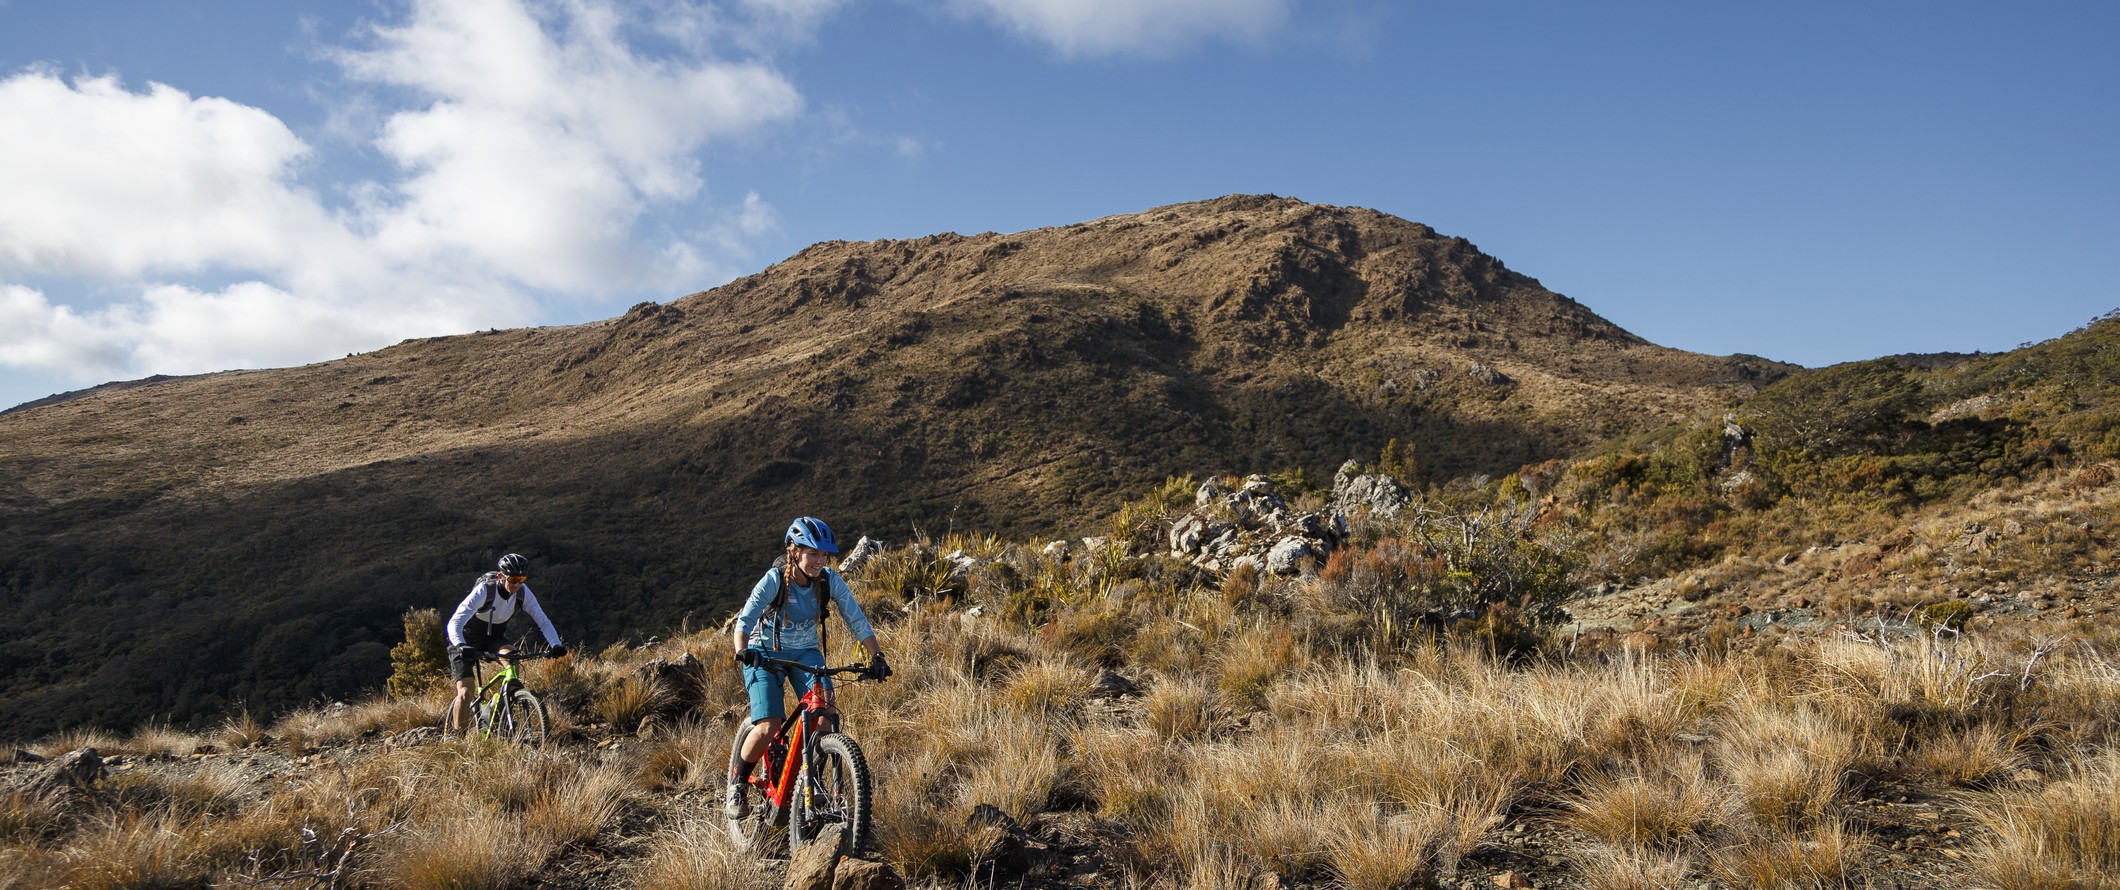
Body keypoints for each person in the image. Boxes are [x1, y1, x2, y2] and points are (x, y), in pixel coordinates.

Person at [726, 516, 891, 820]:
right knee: (769, 726)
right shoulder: (775, 580)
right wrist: (743, 652)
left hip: (806, 652)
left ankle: (810, 785)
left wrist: (877, 656)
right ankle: (739, 784)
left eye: (823, 555)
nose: (819, 561)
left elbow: (856, 618)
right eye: (812, 554)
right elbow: (745, 620)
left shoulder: (828, 580)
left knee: (826, 715)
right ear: (794, 551)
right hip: (764, 652)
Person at [445, 552, 567, 734]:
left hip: (494, 637)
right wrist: (461, 645)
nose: (517, 584)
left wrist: (555, 645)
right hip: (466, 639)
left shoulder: (523, 593)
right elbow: (455, 622)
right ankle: (456, 738)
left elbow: (542, 620)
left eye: (521, 579)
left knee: (512, 661)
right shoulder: (485, 591)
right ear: (502, 576)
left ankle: (499, 709)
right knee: (465, 691)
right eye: (513, 579)